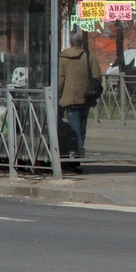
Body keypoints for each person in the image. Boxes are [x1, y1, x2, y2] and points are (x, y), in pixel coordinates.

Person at [57, 33, 101, 171]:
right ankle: (78, 155)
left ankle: (75, 157)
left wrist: (58, 96)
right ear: (81, 43)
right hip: (85, 98)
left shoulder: (62, 58)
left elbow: (60, 79)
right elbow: (97, 76)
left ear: (70, 43)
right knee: (81, 128)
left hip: (68, 99)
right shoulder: (89, 56)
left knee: (74, 128)